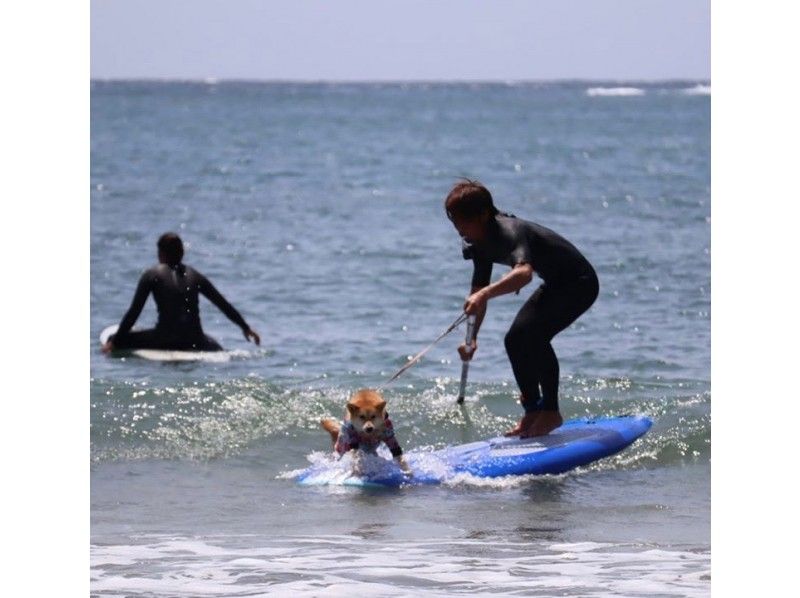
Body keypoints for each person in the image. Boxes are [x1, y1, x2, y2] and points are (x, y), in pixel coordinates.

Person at [446, 180, 599, 437]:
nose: (459, 229)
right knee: (515, 340)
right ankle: (532, 412)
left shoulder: (509, 230)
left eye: (464, 221)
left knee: (534, 336)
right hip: (554, 283)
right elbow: (477, 294)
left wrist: (484, 293)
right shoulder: (478, 243)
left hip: (579, 283)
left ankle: (551, 412)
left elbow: (524, 273)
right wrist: (471, 340)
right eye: (455, 223)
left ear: (483, 214)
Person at [102, 232, 260, 353]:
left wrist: (115, 342)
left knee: (113, 337)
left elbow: (134, 311)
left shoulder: (152, 274)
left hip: (164, 339)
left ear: (161, 253)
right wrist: (245, 327)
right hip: (195, 340)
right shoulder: (195, 275)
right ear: (182, 252)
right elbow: (222, 303)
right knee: (218, 347)